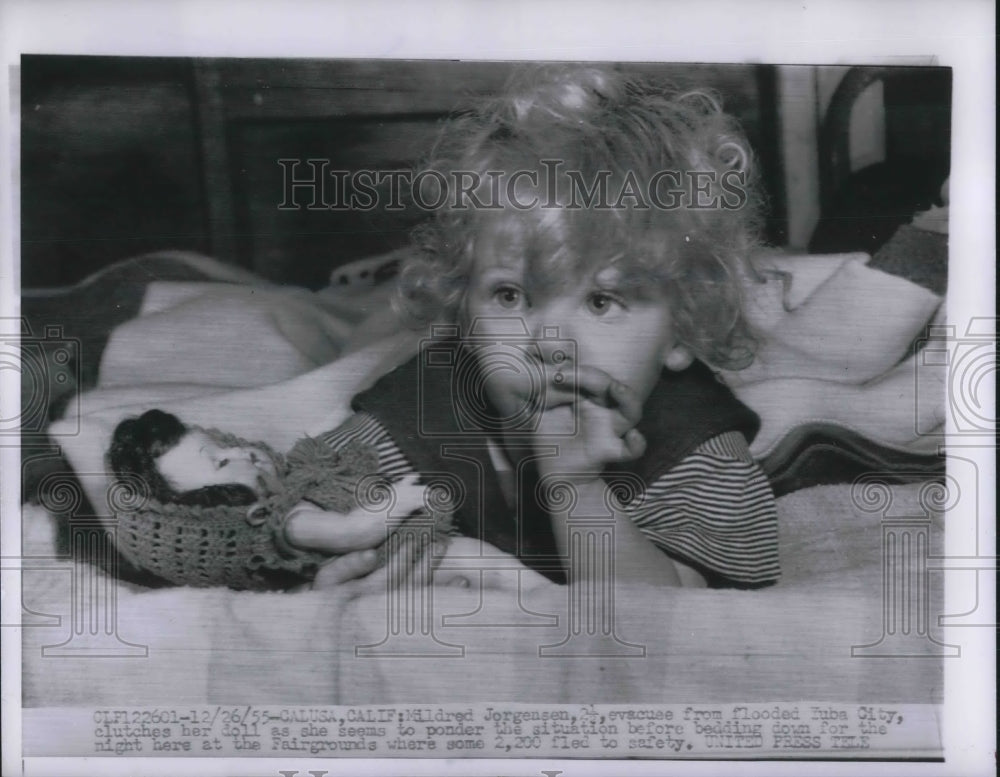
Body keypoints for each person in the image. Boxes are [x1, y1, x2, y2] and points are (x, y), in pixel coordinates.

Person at [284, 66, 780, 590]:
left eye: (601, 300)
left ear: (682, 328)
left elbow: (666, 628)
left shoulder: (702, 460)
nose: (549, 342)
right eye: (510, 295)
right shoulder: (419, 412)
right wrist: (334, 559)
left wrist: (576, 487)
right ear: (463, 312)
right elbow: (293, 505)